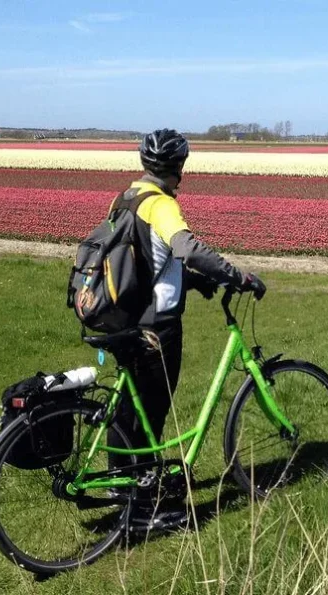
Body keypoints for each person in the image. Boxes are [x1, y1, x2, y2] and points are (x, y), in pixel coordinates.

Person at [105, 129, 265, 509]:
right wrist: (236, 275)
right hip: (156, 324)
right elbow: (186, 248)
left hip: (122, 315)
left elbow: (142, 259)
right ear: (179, 167)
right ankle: (143, 493)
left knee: (130, 405)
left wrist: (190, 282)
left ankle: (122, 481)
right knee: (153, 406)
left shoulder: (125, 198)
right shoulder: (161, 203)